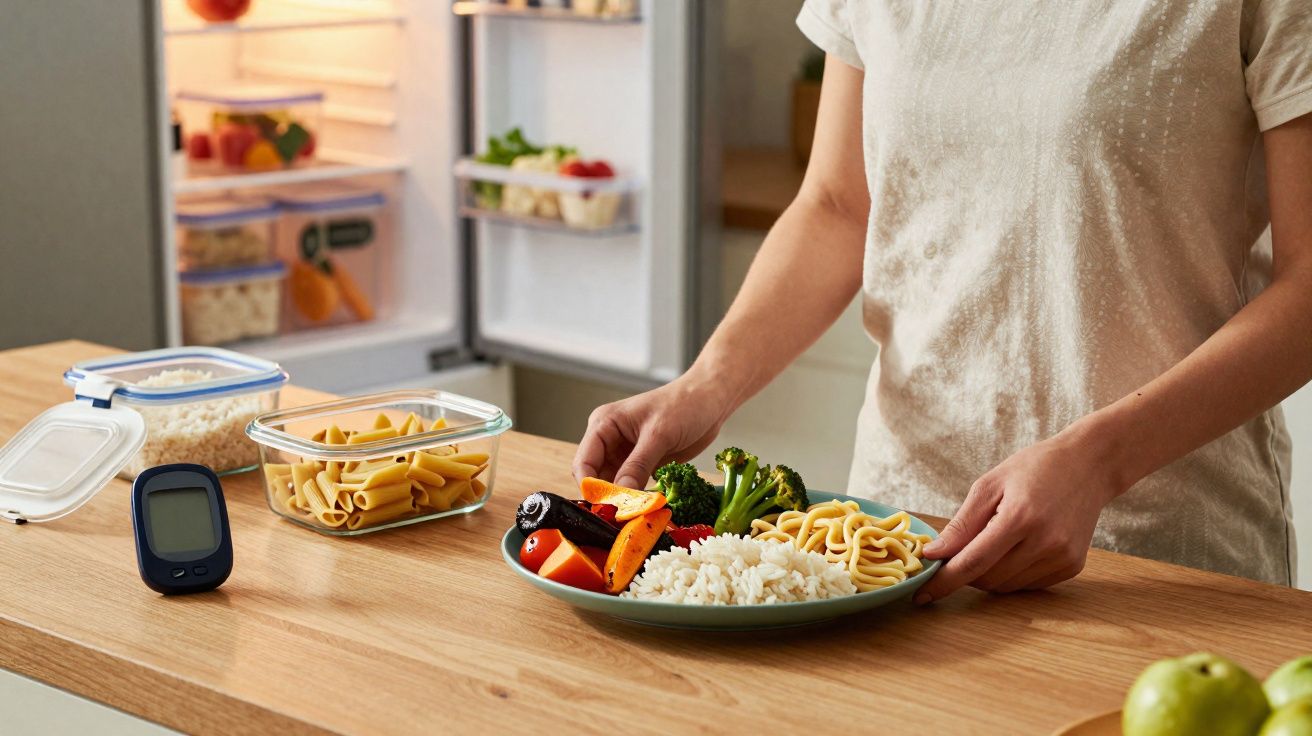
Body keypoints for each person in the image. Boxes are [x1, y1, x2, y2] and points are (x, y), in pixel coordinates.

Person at [573, 0, 1312, 600]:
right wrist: (706, 386)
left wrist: (1099, 462)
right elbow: (838, 205)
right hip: (894, 538)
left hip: (1159, 554)